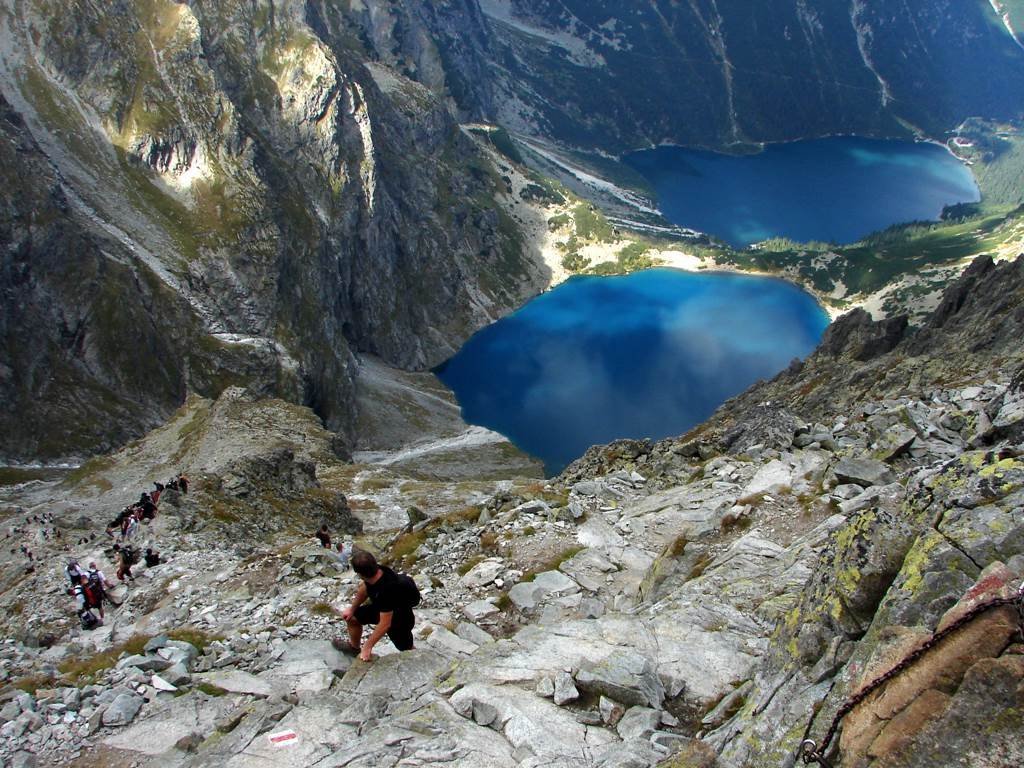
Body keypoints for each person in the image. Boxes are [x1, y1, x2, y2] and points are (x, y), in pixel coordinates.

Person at [335, 551, 416, 662]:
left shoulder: (387, 590)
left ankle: (418, 662)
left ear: (359, 573)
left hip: (400, 619)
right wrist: (352, 609)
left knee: (406, 648)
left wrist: (368, 647)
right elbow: (365, 587)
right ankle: (354, 648)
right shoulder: (376, 571)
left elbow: (385, 623)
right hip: (382, 608)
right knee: (353, 618)